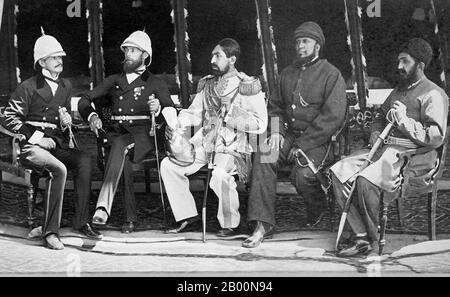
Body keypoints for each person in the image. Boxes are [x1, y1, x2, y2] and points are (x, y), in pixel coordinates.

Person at [331, 38, 448, 257]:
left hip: (415, 158)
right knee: (339, 171)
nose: (399, 67)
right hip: (385, 151)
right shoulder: (398, 90)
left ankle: (372, 241)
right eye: (399, 61)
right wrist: (376, 131)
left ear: (420, 65)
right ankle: (361, 235)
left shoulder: (433, 94)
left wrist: (404, 121)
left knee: (366, 181)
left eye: (405, 62)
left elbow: (435, 137)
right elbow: (379, 117)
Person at [242, 21, 347, 248]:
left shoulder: (331, 75)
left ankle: (316, 206)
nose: (300, 46)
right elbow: (276, 107)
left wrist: (303, 143)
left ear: (317, 45)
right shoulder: (287, 74)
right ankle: (262, 224)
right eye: (298, 41)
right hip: (289, 135)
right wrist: (278, 131)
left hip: (319, 140)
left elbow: (333, 117)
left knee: (302, 175)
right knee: (264, 154)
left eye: (306, 41)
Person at [2, 32, 102, 250]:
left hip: (55, 143)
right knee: (59, 170)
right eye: (54, 57)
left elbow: (62, 125)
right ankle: (50, 233)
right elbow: (8, 117)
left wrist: (66, 123)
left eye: (61, 57)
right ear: (42, 62)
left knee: (84, 159)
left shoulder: (66, 86)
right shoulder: (27, 87)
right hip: (31, 146)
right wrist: (38, 138)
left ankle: (80, 221)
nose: (60, 61)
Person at [160, 38, 267, 236]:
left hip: (233, 148)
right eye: (212, 55)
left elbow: (261, 123)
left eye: (218, 55)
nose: (213, 59)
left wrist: (231, 115)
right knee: (168, 165)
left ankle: (230, 224)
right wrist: (175, 124)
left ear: (232, 59)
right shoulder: (208, 85)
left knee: (219, 175)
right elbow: (193, 113)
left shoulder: (247, 85)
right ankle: (187, 216)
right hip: (205, 144)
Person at [78, 31, 173, 233]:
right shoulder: (114, 80)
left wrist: (159, 110)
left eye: (133, 50)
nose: (127, 54)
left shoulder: (156, 82)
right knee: (124, 158)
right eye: (126, 50)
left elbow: (172, 112)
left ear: (145, 55)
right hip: (115, 134)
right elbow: (84, 99)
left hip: (144, 136)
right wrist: (92, 116)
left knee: (121, 145)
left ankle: (103, 206)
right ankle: (130, 218)